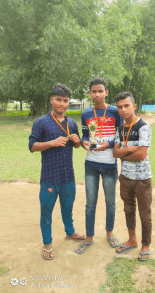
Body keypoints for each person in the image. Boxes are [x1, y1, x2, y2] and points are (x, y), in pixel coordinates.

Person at [29, 83, 85, 260]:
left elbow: (77, 145)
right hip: (49, 177)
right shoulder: (41, 122)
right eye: (59, 100)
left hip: (68, 175)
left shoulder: (71, 123)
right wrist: (51, 143)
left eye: (66, 101)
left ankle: (70, 232)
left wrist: (77, 141)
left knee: (67, 208)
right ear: (51, 100)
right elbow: (32, 146)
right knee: (46, 211)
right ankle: (47, 242)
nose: (62, 104)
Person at [75, 78, 122, 254]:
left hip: (110, 164)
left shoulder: (114, 112)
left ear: (106, 93)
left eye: (100, 91)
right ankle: (89, 236)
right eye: (94, 91)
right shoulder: (86, 113)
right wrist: (84, 143)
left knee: (110, 202)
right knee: (90, 202)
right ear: (90, 93)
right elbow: (85, 135)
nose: (97, 94)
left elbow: (119, 136)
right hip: (91, 164)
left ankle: (109, 232)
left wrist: (107, 145)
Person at [113, 91, 152, 261]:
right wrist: (128, 150)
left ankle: (146, 245)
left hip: (142, 179)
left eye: (126, 106)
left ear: (134, 106)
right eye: (120, 107)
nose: (123, 110)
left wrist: (122, 153)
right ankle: (132, 239)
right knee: (128, 210)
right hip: (125, 177)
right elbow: (115, 152)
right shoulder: (120, 129)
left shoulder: (143, 126)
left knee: (144, 213)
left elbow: (142, 155)